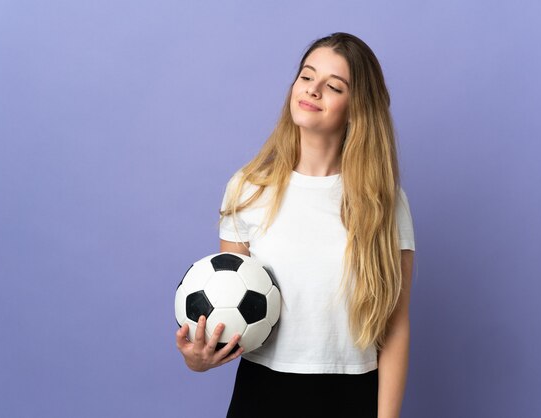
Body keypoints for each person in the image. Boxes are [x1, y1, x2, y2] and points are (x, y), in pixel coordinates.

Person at [176, 32, 415, 418]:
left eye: (333, 86)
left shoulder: (384, 203)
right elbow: (227, 314)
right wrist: (199, 359)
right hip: (264, 392)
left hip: (354, 394)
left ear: (357, 108)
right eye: (307, 77)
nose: (313, 90)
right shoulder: (248, 189)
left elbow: (396, 326)